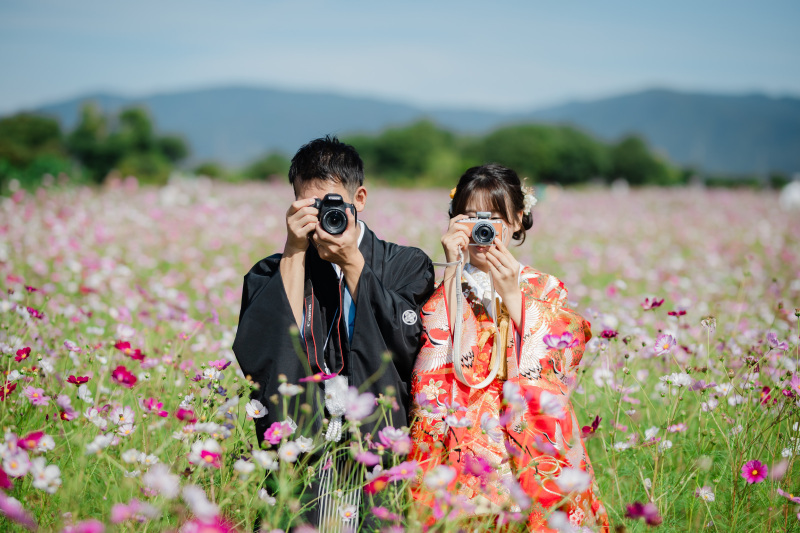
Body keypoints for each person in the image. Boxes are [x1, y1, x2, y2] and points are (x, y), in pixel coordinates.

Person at [233, 136, 435, 530]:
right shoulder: (273, 270)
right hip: (303, 427)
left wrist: (354, 265)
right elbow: (265, 341)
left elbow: (410, 343)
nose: (324, 217)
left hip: (377, 430)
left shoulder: (406, 263)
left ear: (359, 198)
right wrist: (293, 249)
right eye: (309, 206)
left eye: (332, 204)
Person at [408, 164, 609, 531]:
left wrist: (514, 296)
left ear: (517, 220)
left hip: (521, 437)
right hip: (459, 435)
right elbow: (433, 352)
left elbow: (565, 348)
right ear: (454, 223)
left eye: (494, 218)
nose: (482, 231)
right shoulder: (444, 283)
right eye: (470, 218)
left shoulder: (542, 286)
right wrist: (452, 269)